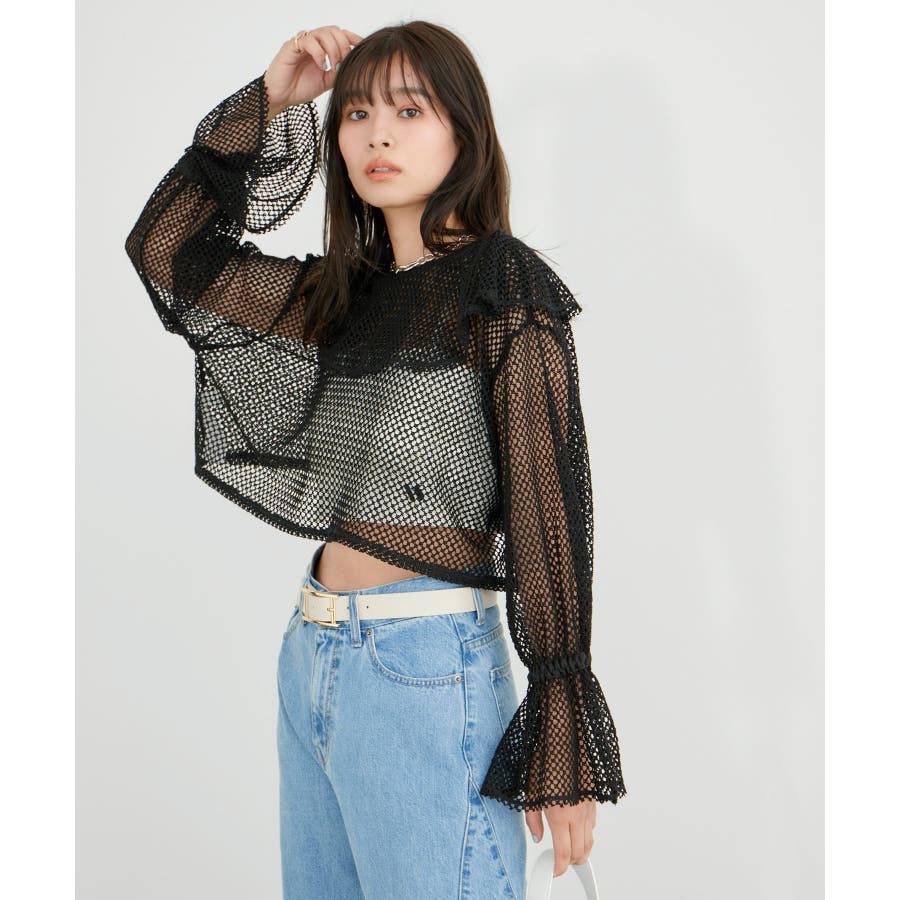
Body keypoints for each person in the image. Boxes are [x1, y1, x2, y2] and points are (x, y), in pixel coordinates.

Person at [124, 19, 626, 899]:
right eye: (356, 113)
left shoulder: (501, 285)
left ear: (464, 132)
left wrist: (561, 727)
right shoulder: (344, 298)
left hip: (424, 666)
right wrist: (270, 101)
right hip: (311, 654)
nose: (377, 135)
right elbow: (166, 253)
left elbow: (548, 503)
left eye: (408, 110)